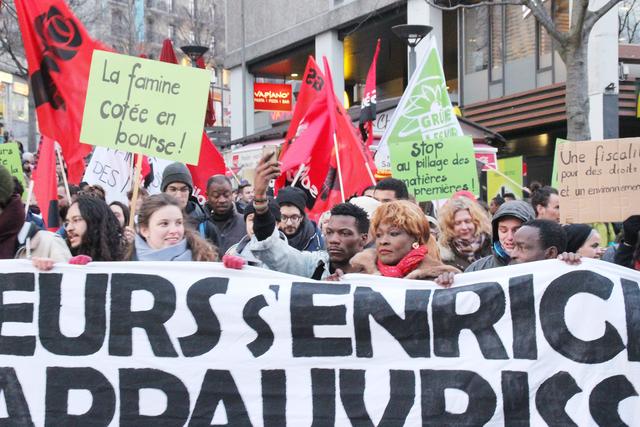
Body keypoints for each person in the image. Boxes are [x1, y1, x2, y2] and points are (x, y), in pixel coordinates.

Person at [247, 153, 368, 279]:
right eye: (330, 232)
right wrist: (260, 198)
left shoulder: (382, 274)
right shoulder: (313, 265)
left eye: (344, 233)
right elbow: (273, 251)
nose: (334, 240)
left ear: (364, 238)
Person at [436, 219, 580, 287]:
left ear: (550, 253)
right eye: (503, 229)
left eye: (522, 247)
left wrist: (575, 269)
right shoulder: (494, 277)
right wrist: (452, 285)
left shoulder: (570, 278)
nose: (512, 254)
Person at [349, 200, 459, 279]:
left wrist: (446, 286)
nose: (383, 241)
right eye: (378, 235)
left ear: (416, 237)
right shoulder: (359, 273)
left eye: (393, 234)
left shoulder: (438, 277)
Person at [127, 194, 218, 262]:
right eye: (164, 224)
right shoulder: (125, 266)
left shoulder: (203, 260)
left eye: (178, 223)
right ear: (144, 230)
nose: (174, 231)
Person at [161, 162, 220, 248]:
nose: (178, 195)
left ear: (190, 192)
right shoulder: (152, 223)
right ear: (164, 191)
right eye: (173, 189)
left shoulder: (205, 226)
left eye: (183, 189)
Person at [466, 200, 536, 272]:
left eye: (516, 230)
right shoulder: (477, 269)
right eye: (503, 230)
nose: (510, 237)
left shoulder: (544, 265)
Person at [437, 197, 493, 271]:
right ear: (450, 226)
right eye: (457, 223)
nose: (464, 227)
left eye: (467, 221)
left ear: (476, 222)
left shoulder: (493, 245)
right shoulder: (444, 255)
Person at [226, 199, 284, 267]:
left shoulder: (290, 257)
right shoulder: (233, 253)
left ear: (277, 224)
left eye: (264, 220)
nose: (256, 226)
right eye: (252, 220)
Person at [204, 175, 247, 253]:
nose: (222, 200)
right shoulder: (200, 225)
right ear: (207, 196)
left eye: (226, 195)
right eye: (216, 196)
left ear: (232, 194)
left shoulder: (246, 223)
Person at [275, 186, 323, 252]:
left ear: (302, 217)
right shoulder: (268, 236)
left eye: (294, 217)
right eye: (284, 217)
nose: (289, 223)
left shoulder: (316, 239)